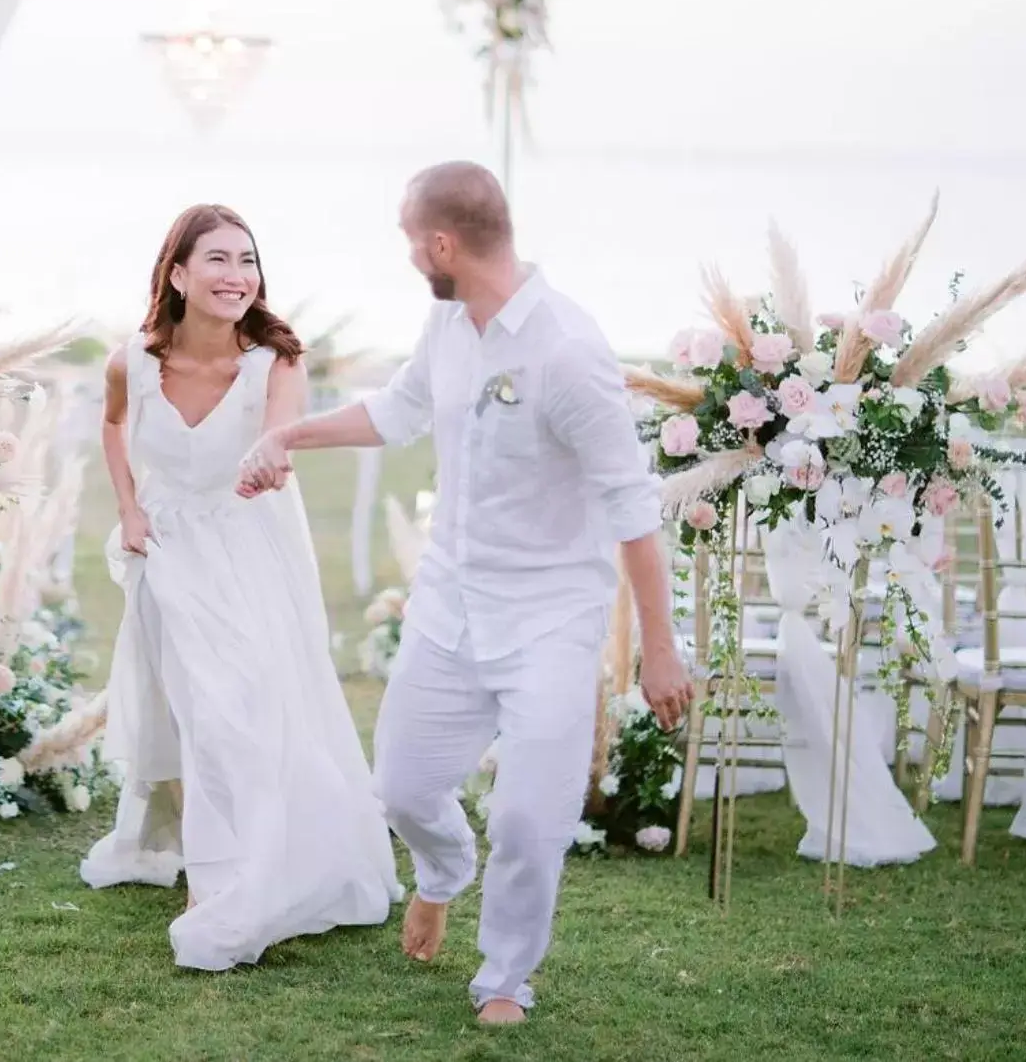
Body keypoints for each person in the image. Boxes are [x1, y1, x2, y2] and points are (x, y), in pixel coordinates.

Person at [238, 162, 691, 1025]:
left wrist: (660, 648)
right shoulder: (447, 321)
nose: (410, 255)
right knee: (404, 786)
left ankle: (506, 979)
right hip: (449, 603)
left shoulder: (567, 349)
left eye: (411, 239)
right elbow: (400, 411)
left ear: (442, 242)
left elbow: (633, 508)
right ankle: (443, 873)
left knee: (529, 814)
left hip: (551, 618)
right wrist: (292, 434)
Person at [80, 203, 401, 970]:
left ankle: (264, 854)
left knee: (251, 698)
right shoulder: (132, 359)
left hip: (252, 542)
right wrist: (128, 508)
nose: (237, 276)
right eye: (218, 260)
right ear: (179, 274)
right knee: (194, 705)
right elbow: (114, 427)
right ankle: (213, 868)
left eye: (248, 260)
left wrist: (271, 453)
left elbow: (279, 431)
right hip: (167, 544)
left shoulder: (275, 360)